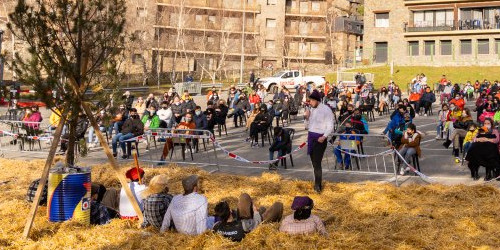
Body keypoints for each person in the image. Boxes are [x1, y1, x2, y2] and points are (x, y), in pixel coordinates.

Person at [304, 90, 334, 193]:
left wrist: (325, 136)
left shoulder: (326, 110)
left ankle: (318, 186)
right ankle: (316, 182)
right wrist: (306, 118)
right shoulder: (311, 110)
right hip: (311, 137)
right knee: (314, 163)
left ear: (317, 100)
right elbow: (307, 126)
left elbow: (330, 125)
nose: (310, 102)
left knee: (317, 163)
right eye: (310, 100)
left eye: (312, 100)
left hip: (320, 138)